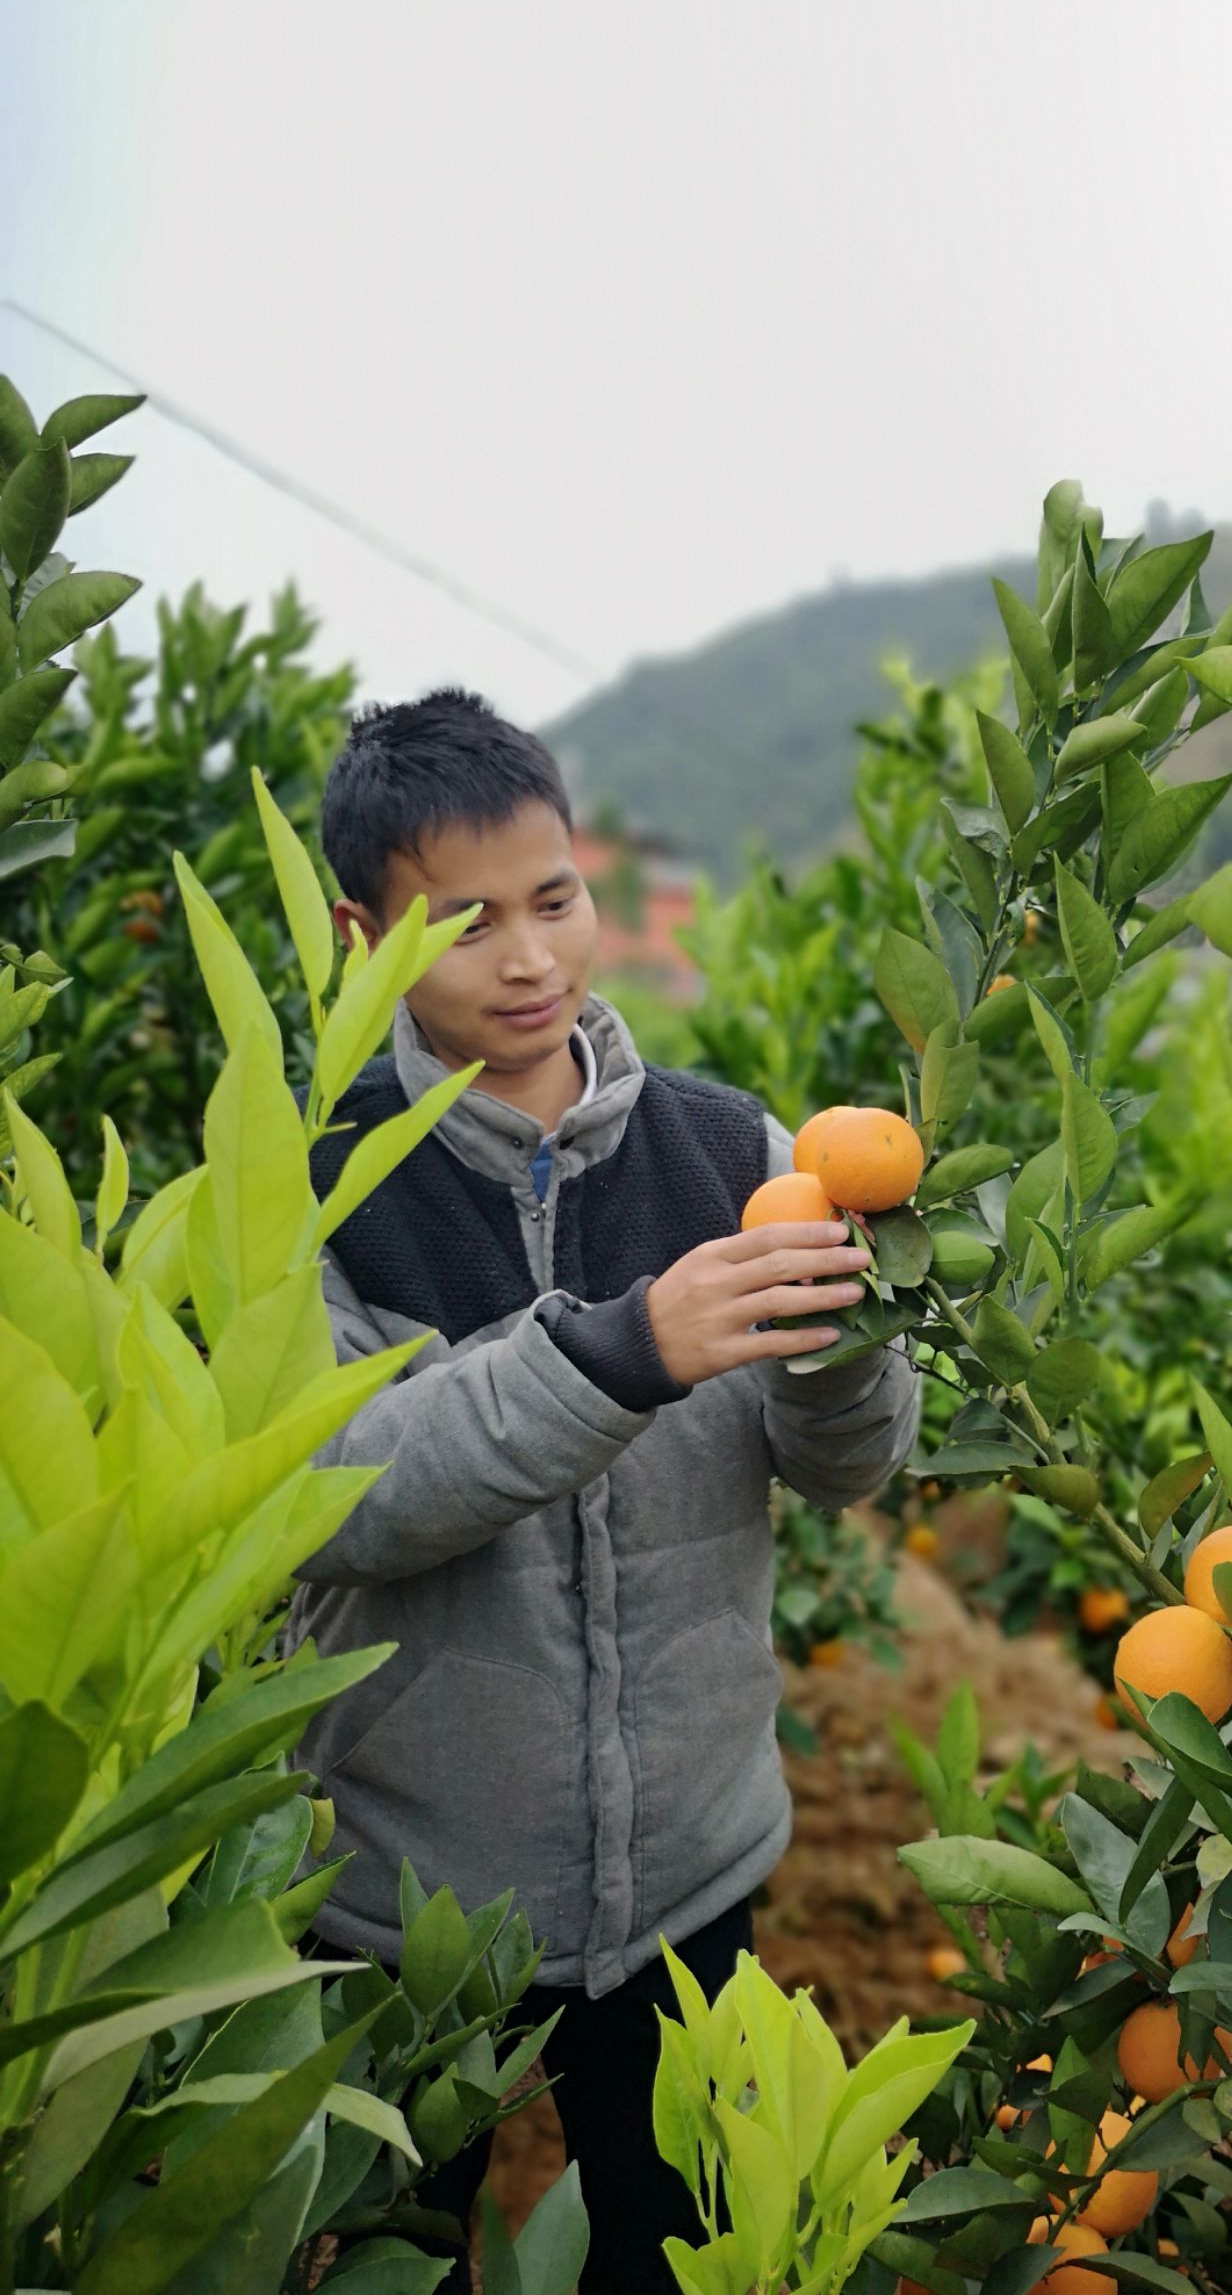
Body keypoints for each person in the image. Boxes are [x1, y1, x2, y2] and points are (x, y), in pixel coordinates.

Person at [286, 687, 920, 2289]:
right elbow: (342, 1498)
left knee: (674, 2251)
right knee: (399, 2258)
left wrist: (847, 1352)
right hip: (412, 1904)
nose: (528, 958)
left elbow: (844, 1472)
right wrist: (621, 1350)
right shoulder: (319, 1192)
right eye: (465, 922)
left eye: (553, 898)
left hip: (691, 1877)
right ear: (363, 934)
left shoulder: (726, 1151)